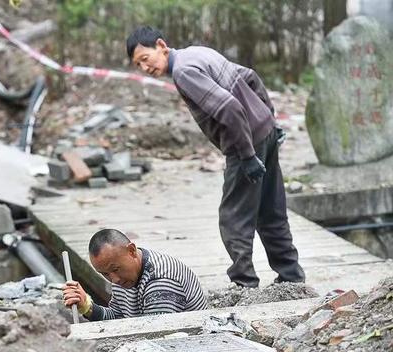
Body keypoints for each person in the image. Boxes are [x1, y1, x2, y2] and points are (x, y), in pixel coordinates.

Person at [125, 26, 306, 288]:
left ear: (161, 45)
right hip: (264, 133)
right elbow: (251, 77)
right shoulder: (197, 53)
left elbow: (230, 109)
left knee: (233, 218)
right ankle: (292, 277)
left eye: (145, 58)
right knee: (271, 209)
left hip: (246, 144)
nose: (144, 67)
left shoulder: (184, 72)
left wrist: (246, 155)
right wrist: (270, 118)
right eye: (138, 65)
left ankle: (244, 283)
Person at [63, 229, 207, 321]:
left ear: (131, 250)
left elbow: (156, 335)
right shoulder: (123, 276)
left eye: (116, 269)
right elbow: (119, 318)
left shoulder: (160, 281)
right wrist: (87, 307)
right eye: (105, 274)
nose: (114, 279)